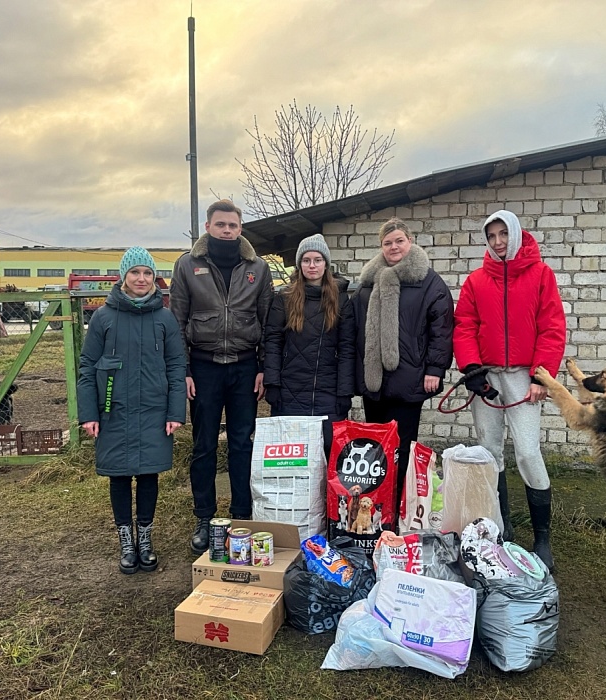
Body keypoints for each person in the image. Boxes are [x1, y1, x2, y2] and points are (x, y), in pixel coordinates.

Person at [453, 209, 566, 571]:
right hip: (488, 374)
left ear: (515, 234)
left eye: (503, 234)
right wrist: (471, 369)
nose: (498, 242)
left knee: (529, 453)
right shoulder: (476, 281)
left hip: (522, 375)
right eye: (492, 236)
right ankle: (501, 528)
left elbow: (551, 327)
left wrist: (540, 377)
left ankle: (543, 537)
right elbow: (465, 325)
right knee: (490, 452)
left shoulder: (540, 275)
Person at [170, 199, 274, 555]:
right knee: (204, 444)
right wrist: (183, 370)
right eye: (220, 225)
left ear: (240, 228)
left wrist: (262, 367)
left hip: (245, 367)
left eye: (232, 225)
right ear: (208, 227)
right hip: (204, 366)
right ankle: (205, 516)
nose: (226, 230)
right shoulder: (187, 265)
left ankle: (242, 513)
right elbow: (177, 323)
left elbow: (267, 321)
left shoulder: (257, 268)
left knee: (243, 443)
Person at [77, 247, 186, 574]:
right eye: (135, 272)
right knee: (120, 474)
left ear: (155, 278)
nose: (142, 279)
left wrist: (175, 412)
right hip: (114, 410)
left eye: (148, 273)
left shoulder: (165, 318)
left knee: (149, 472)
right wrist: (89, 413)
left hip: (154, 409)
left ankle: (146, 538)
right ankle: (126, 541)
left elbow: (176, 366)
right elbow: (87, 366)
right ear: (123, 276)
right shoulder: (104, 317)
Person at [354, 217, 454, 508]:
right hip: (375, 382)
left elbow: (442, 328)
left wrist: (435, 369)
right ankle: (378, 504)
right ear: (381, 247)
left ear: (410, 242)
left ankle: (401, 505)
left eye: (399, 240)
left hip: (410, 377)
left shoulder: (429, 282)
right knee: (377, 448)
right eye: (388, 242)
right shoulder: (366, 284)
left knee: (403, 446)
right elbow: (356, 331)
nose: (394, 246)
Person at [263, 233, 356, 459]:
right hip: (291, 391)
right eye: (306, 260)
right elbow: (273, 342)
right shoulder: (284, 298)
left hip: (328, 392)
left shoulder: (341, 300)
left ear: (326, 264)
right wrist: (272, 382)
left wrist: (345, 391)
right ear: (299, 264)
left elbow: (347, 348)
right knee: (294, 458)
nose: (312, 265)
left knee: (329, 453)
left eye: (317, 260)